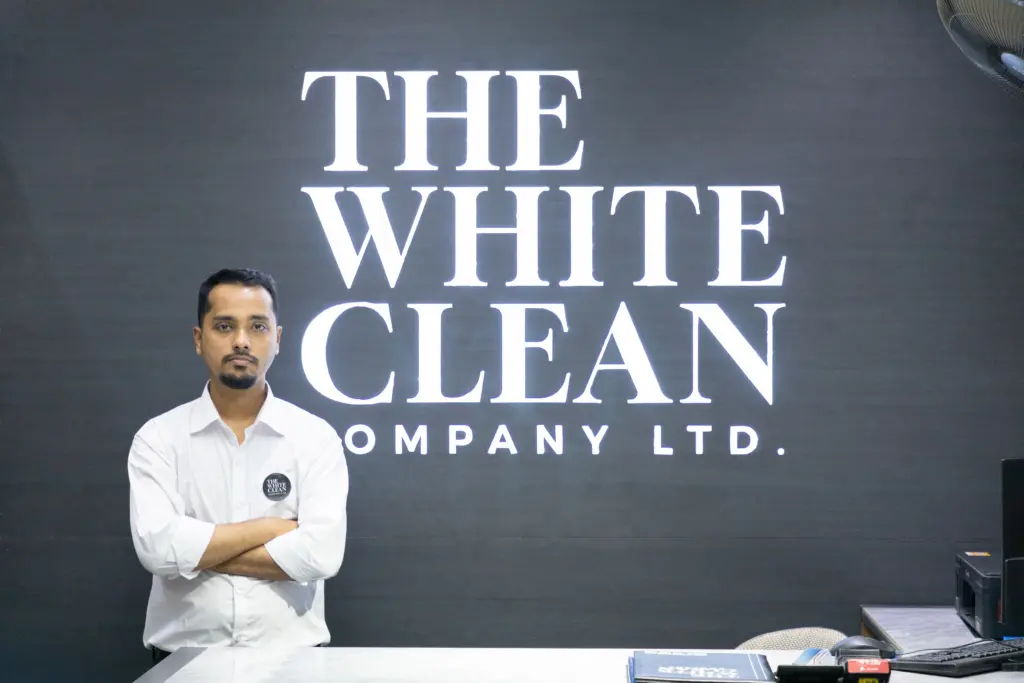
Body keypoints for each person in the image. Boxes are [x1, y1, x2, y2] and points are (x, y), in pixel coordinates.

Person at [127, 268, 349, 664]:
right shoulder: (158, 439)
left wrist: (196, 553)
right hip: (182, 661)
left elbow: (321, 556)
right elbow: (158, 551)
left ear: (277, 339)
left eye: (258, 326)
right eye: (224, 326)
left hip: (293, 663)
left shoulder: (315, 438)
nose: (241, 341)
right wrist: (270, 529)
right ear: (199, 339)